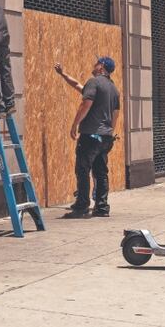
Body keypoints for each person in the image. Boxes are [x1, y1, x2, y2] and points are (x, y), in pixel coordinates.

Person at [54, 57, 121, 218]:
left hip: (91, 135)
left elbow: (86, 104)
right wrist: (63, 74)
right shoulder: (113, 89)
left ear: (102, 66)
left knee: (82, 170)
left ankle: (81, 206)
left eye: (97, 63)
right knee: (101, 172)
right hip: (105, 137)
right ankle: (102, 207)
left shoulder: (94, 82)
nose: (94, 65)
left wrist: (74, 124)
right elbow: (115, 114)